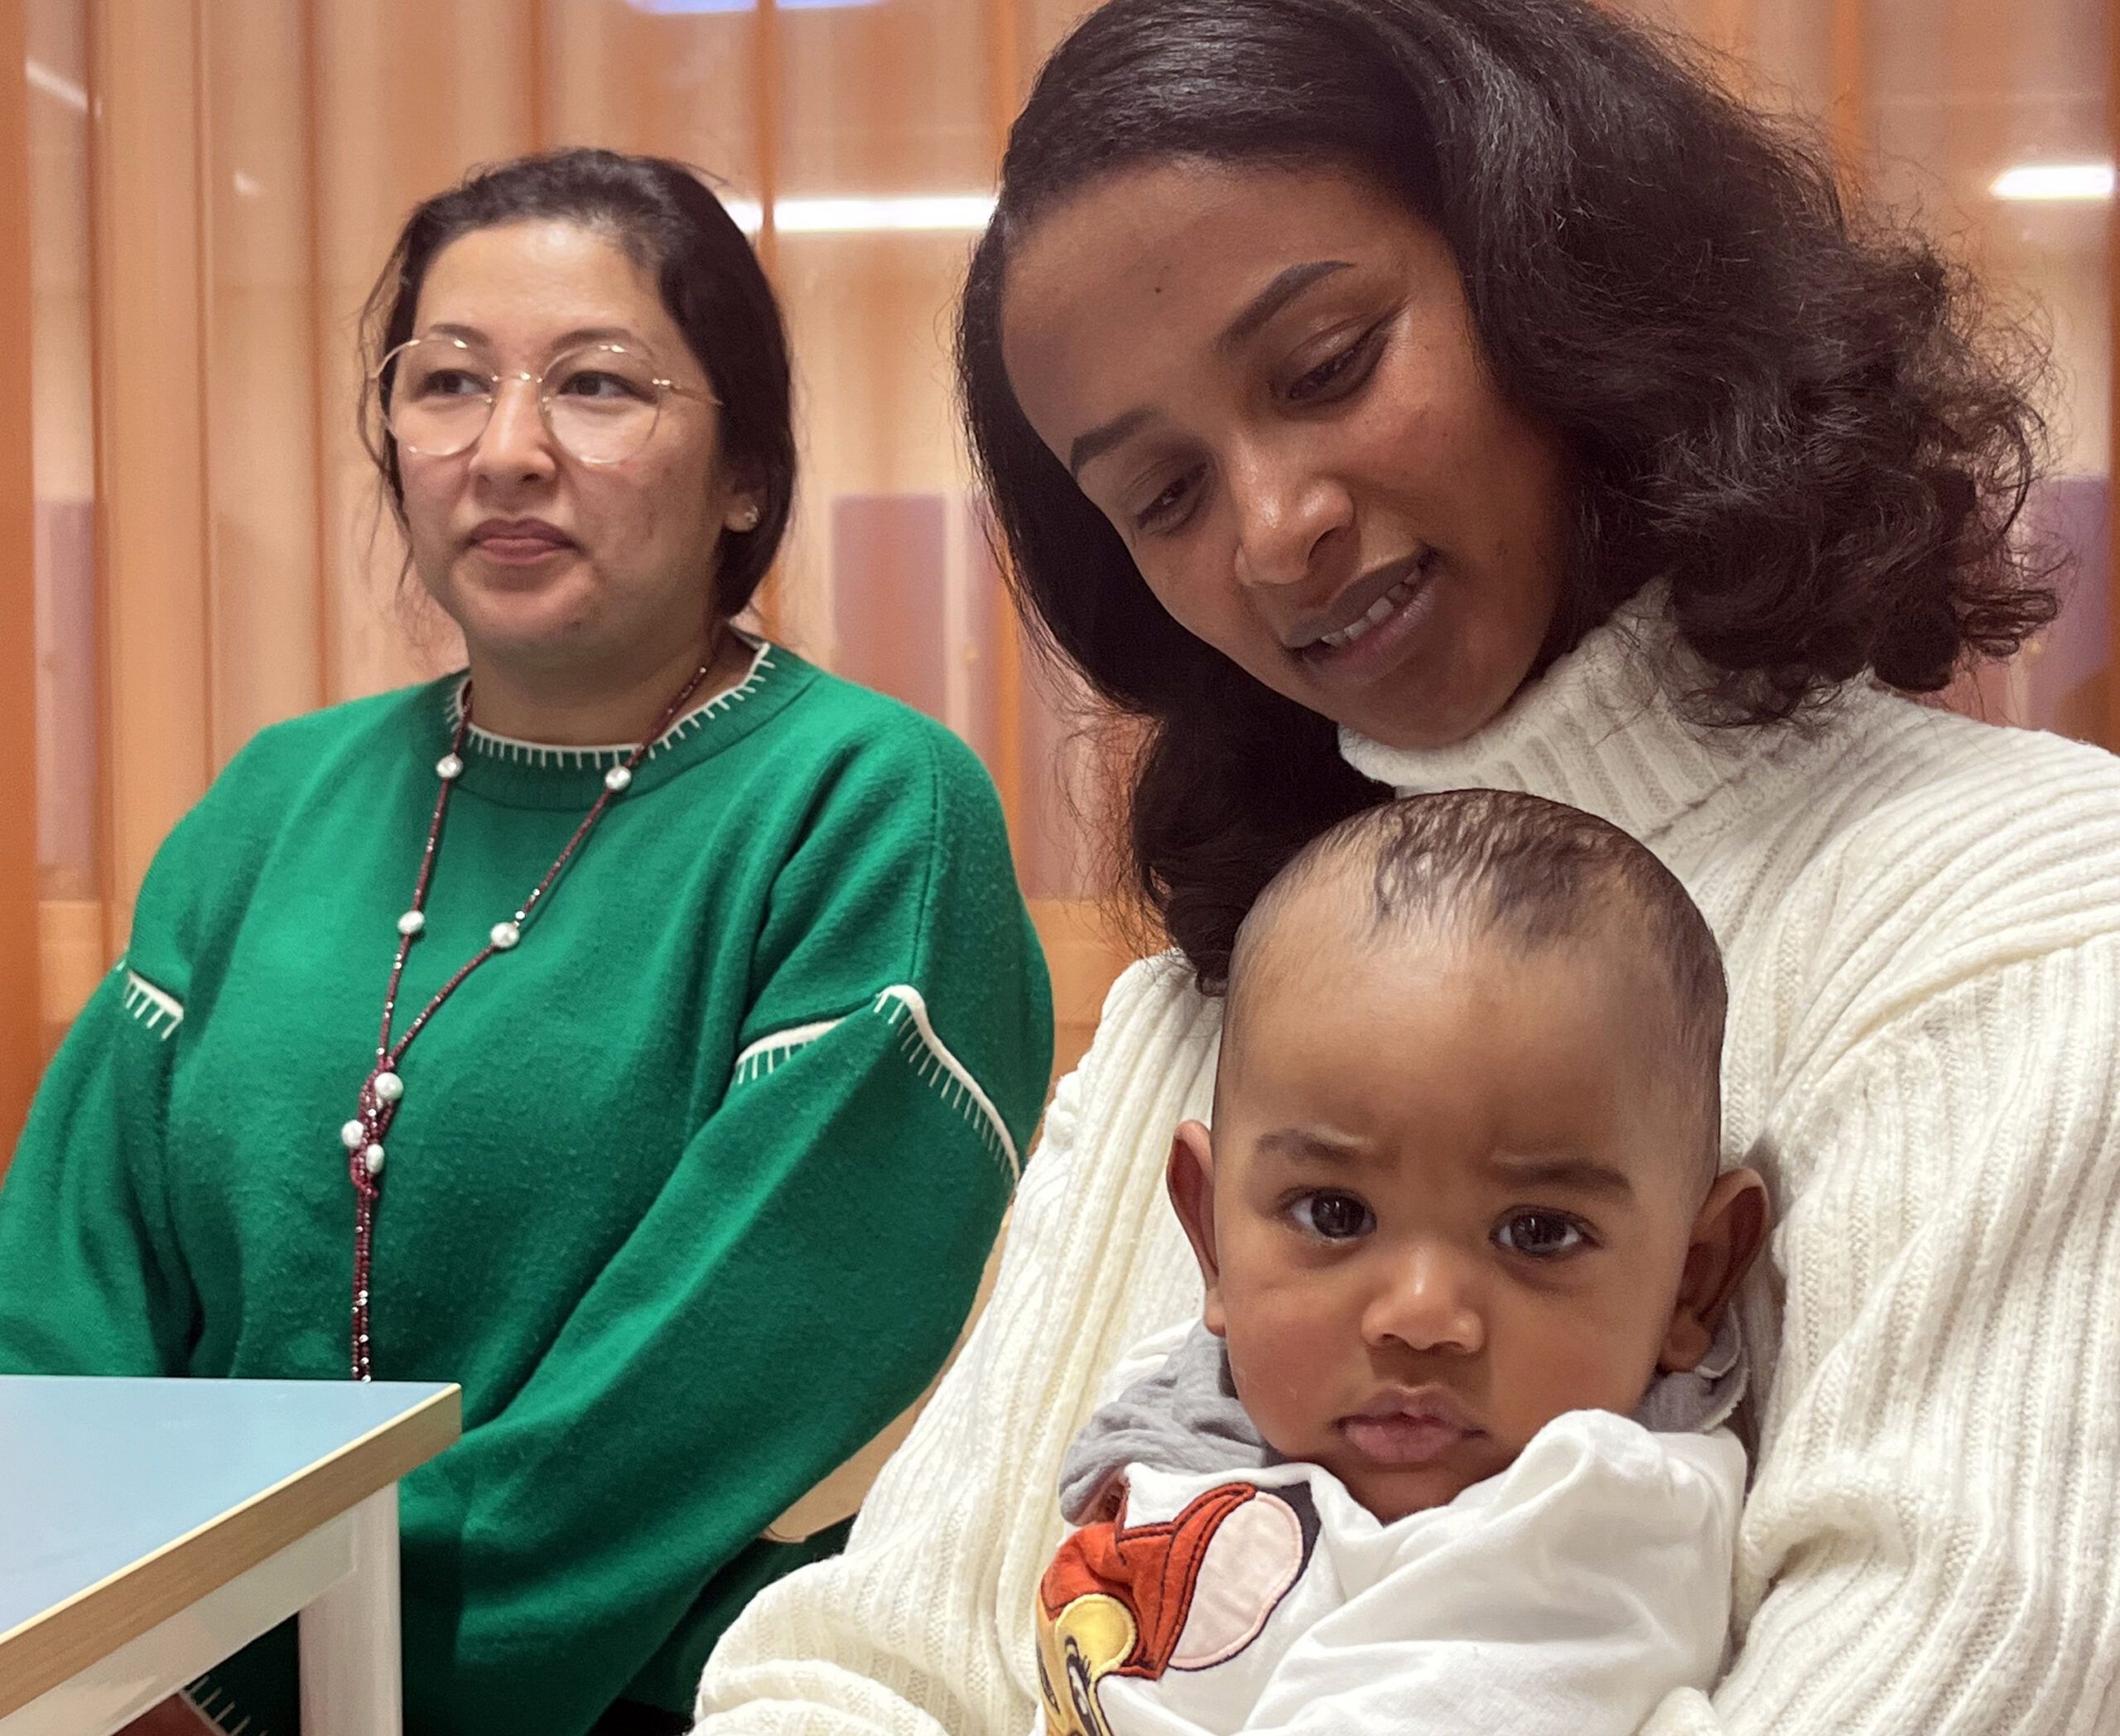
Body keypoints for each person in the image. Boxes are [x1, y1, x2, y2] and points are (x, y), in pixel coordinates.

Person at [693, 1, 2120, 1732]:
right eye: (1159, 495)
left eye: (1324, 366)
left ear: (1562, 277)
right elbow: (861, 1661)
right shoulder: (1190, 1012)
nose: (1274, 529)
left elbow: (1940, 1664)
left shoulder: (2018, 907)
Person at [0, 148, 1052, 1736]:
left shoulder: (867, 812)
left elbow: (669, 1428)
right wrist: (82, 1635)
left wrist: (214, 1673)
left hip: (631, 1699)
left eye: (598, 386)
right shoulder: (275, 801)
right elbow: (57, 1305)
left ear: (747, 472)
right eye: (447, 383)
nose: (506, 451)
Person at [1036, 790, 1767, 1736]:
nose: (1420, 1313)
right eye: (1335, 1214)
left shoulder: (1590, 1531)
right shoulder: (1191, 1391)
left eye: (1537, 1231)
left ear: (1693, 1278)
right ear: (1209, 1236)